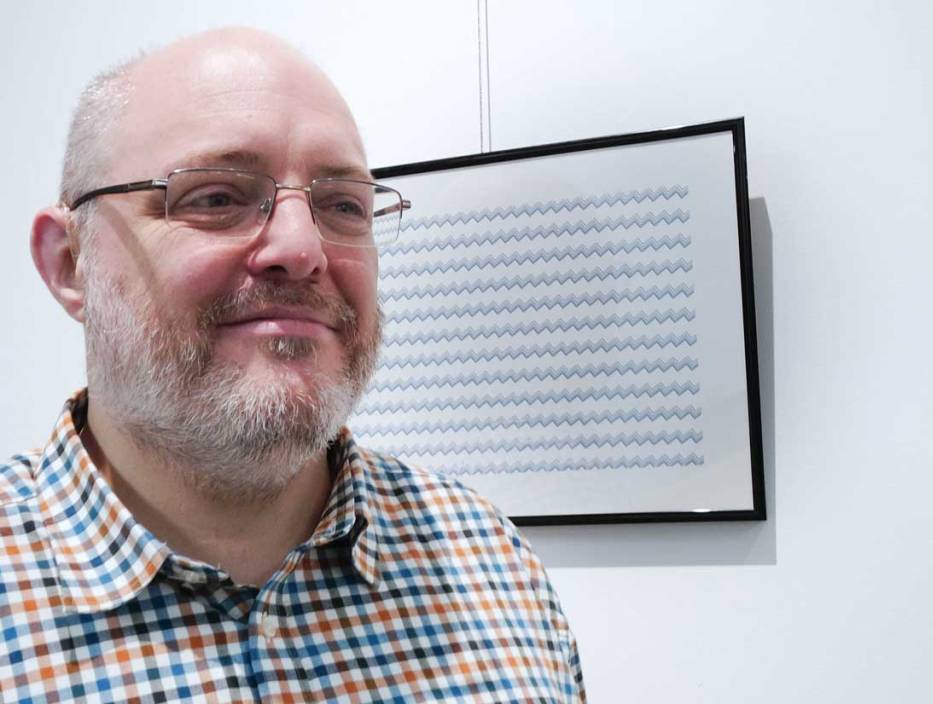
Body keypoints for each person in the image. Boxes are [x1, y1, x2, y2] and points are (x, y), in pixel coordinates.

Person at [1, 28, 585, 703]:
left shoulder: (491, 566)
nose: (302, 248)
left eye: (343, 206)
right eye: (216, 197)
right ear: (71, 263)